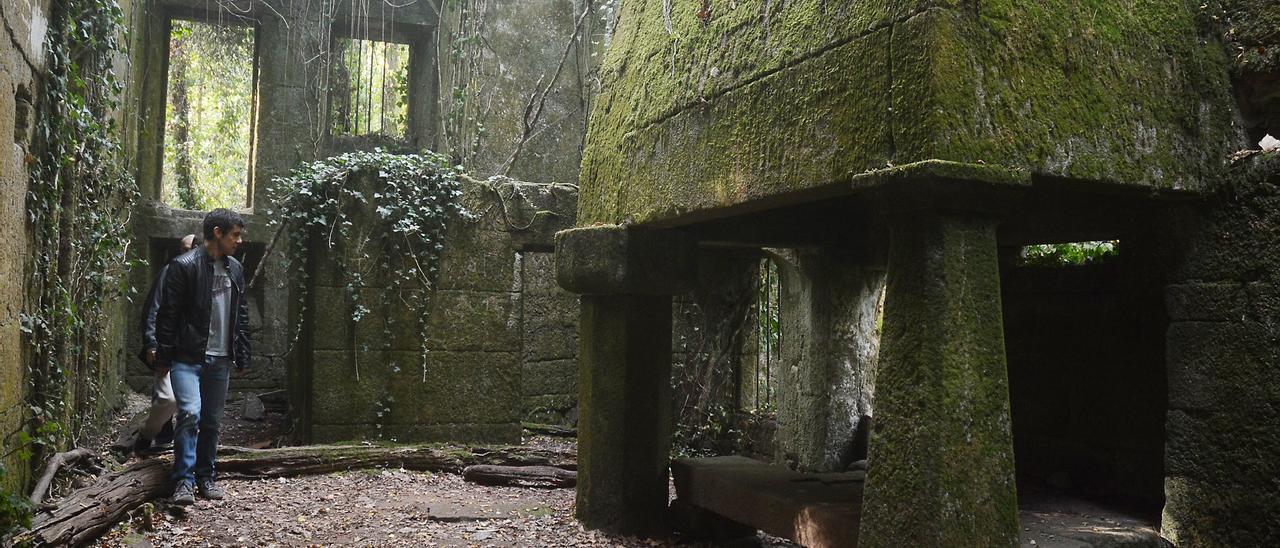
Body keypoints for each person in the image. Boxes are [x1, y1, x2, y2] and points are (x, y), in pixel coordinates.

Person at [154, 209, 250, 505]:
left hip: (220, 358)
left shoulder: (235, 268)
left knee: (211, 421)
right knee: (190, 414)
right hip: (188, 357)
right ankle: (183, 480)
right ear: (218, 233)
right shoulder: (183, 266)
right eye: (235, 234)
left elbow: (240, 314)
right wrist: (163, 360)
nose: (240, 240)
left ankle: (206, 476)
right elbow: (167, 316)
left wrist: (242, 354)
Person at [133, 234, 198, 455]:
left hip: (190, 348)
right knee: (166, 397)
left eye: (189, 248)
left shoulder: (202, 275)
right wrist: (152, 342)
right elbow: (153, 308)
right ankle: (154, 436)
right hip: (167, 345)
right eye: (182, 249)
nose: (185, 252)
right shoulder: (168, 273)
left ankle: (181, 447)